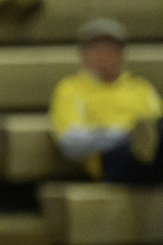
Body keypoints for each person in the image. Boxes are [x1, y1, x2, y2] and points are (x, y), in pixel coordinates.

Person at [49, 18, 163, 186]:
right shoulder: (70, 89)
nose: (104, 53)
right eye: (96, 47)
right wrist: (124, 134)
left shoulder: (141, 88)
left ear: (122, 53)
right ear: (83, 54)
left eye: (111, 47)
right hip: (110, 158)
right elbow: (70, 141)